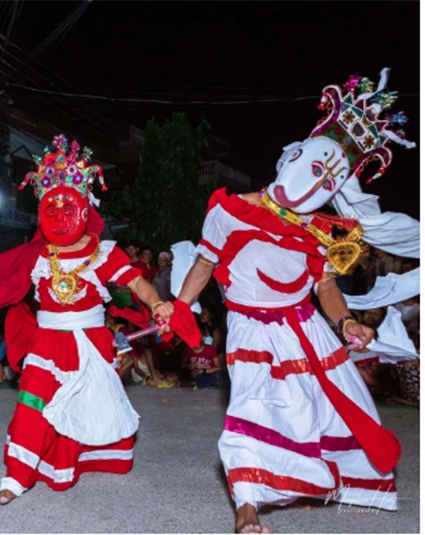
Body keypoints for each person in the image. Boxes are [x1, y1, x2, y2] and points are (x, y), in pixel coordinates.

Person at [157, 70, 415, 532]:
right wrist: (180, 306)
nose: (317, 183)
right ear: (293, 157)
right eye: (315, 167)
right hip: (251, 328)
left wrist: (346, 325)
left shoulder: (322, 233)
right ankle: (247, 506)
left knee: (312, 410)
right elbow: (204, 265)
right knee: (253, 406)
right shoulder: (231, 210)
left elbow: (326, 288)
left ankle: (301, 479)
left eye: (329, 180)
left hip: (308, 331)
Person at [0, 135, 197, 505]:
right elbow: (5, 289)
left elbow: (137, 282)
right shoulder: (36, 256)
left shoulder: (105, 253)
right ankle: (15, 476)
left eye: (67, 208)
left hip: (91, 343)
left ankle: (75, 464)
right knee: (32, 404)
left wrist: (157, 304)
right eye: (50, 210)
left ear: (85, 208)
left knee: (84, 407)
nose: (59, 216)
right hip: (47, 342)